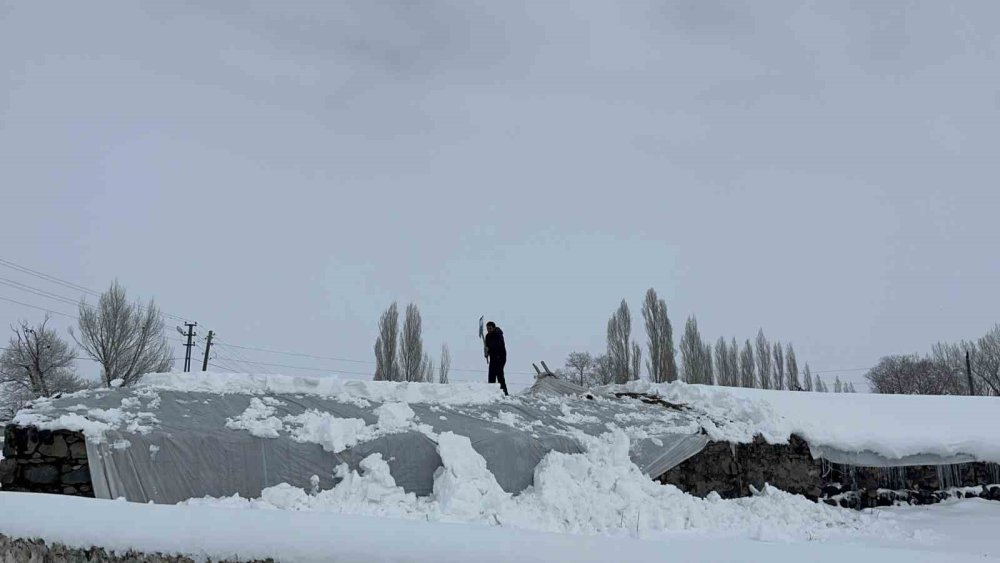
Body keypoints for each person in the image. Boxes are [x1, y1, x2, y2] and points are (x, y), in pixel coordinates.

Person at [483, 321, 509, 396]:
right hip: (493, 358)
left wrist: (489, 348)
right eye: (487, 328)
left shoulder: (498, 334)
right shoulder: (487, 336)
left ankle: (505, 393)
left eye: (490, 328)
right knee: (491, 376)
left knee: (500, 375)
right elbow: (487, 347)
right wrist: (486, 352)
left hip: (500, 357)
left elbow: (498, 345)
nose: (488, 330)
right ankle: (492, 394)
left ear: (494, 328)